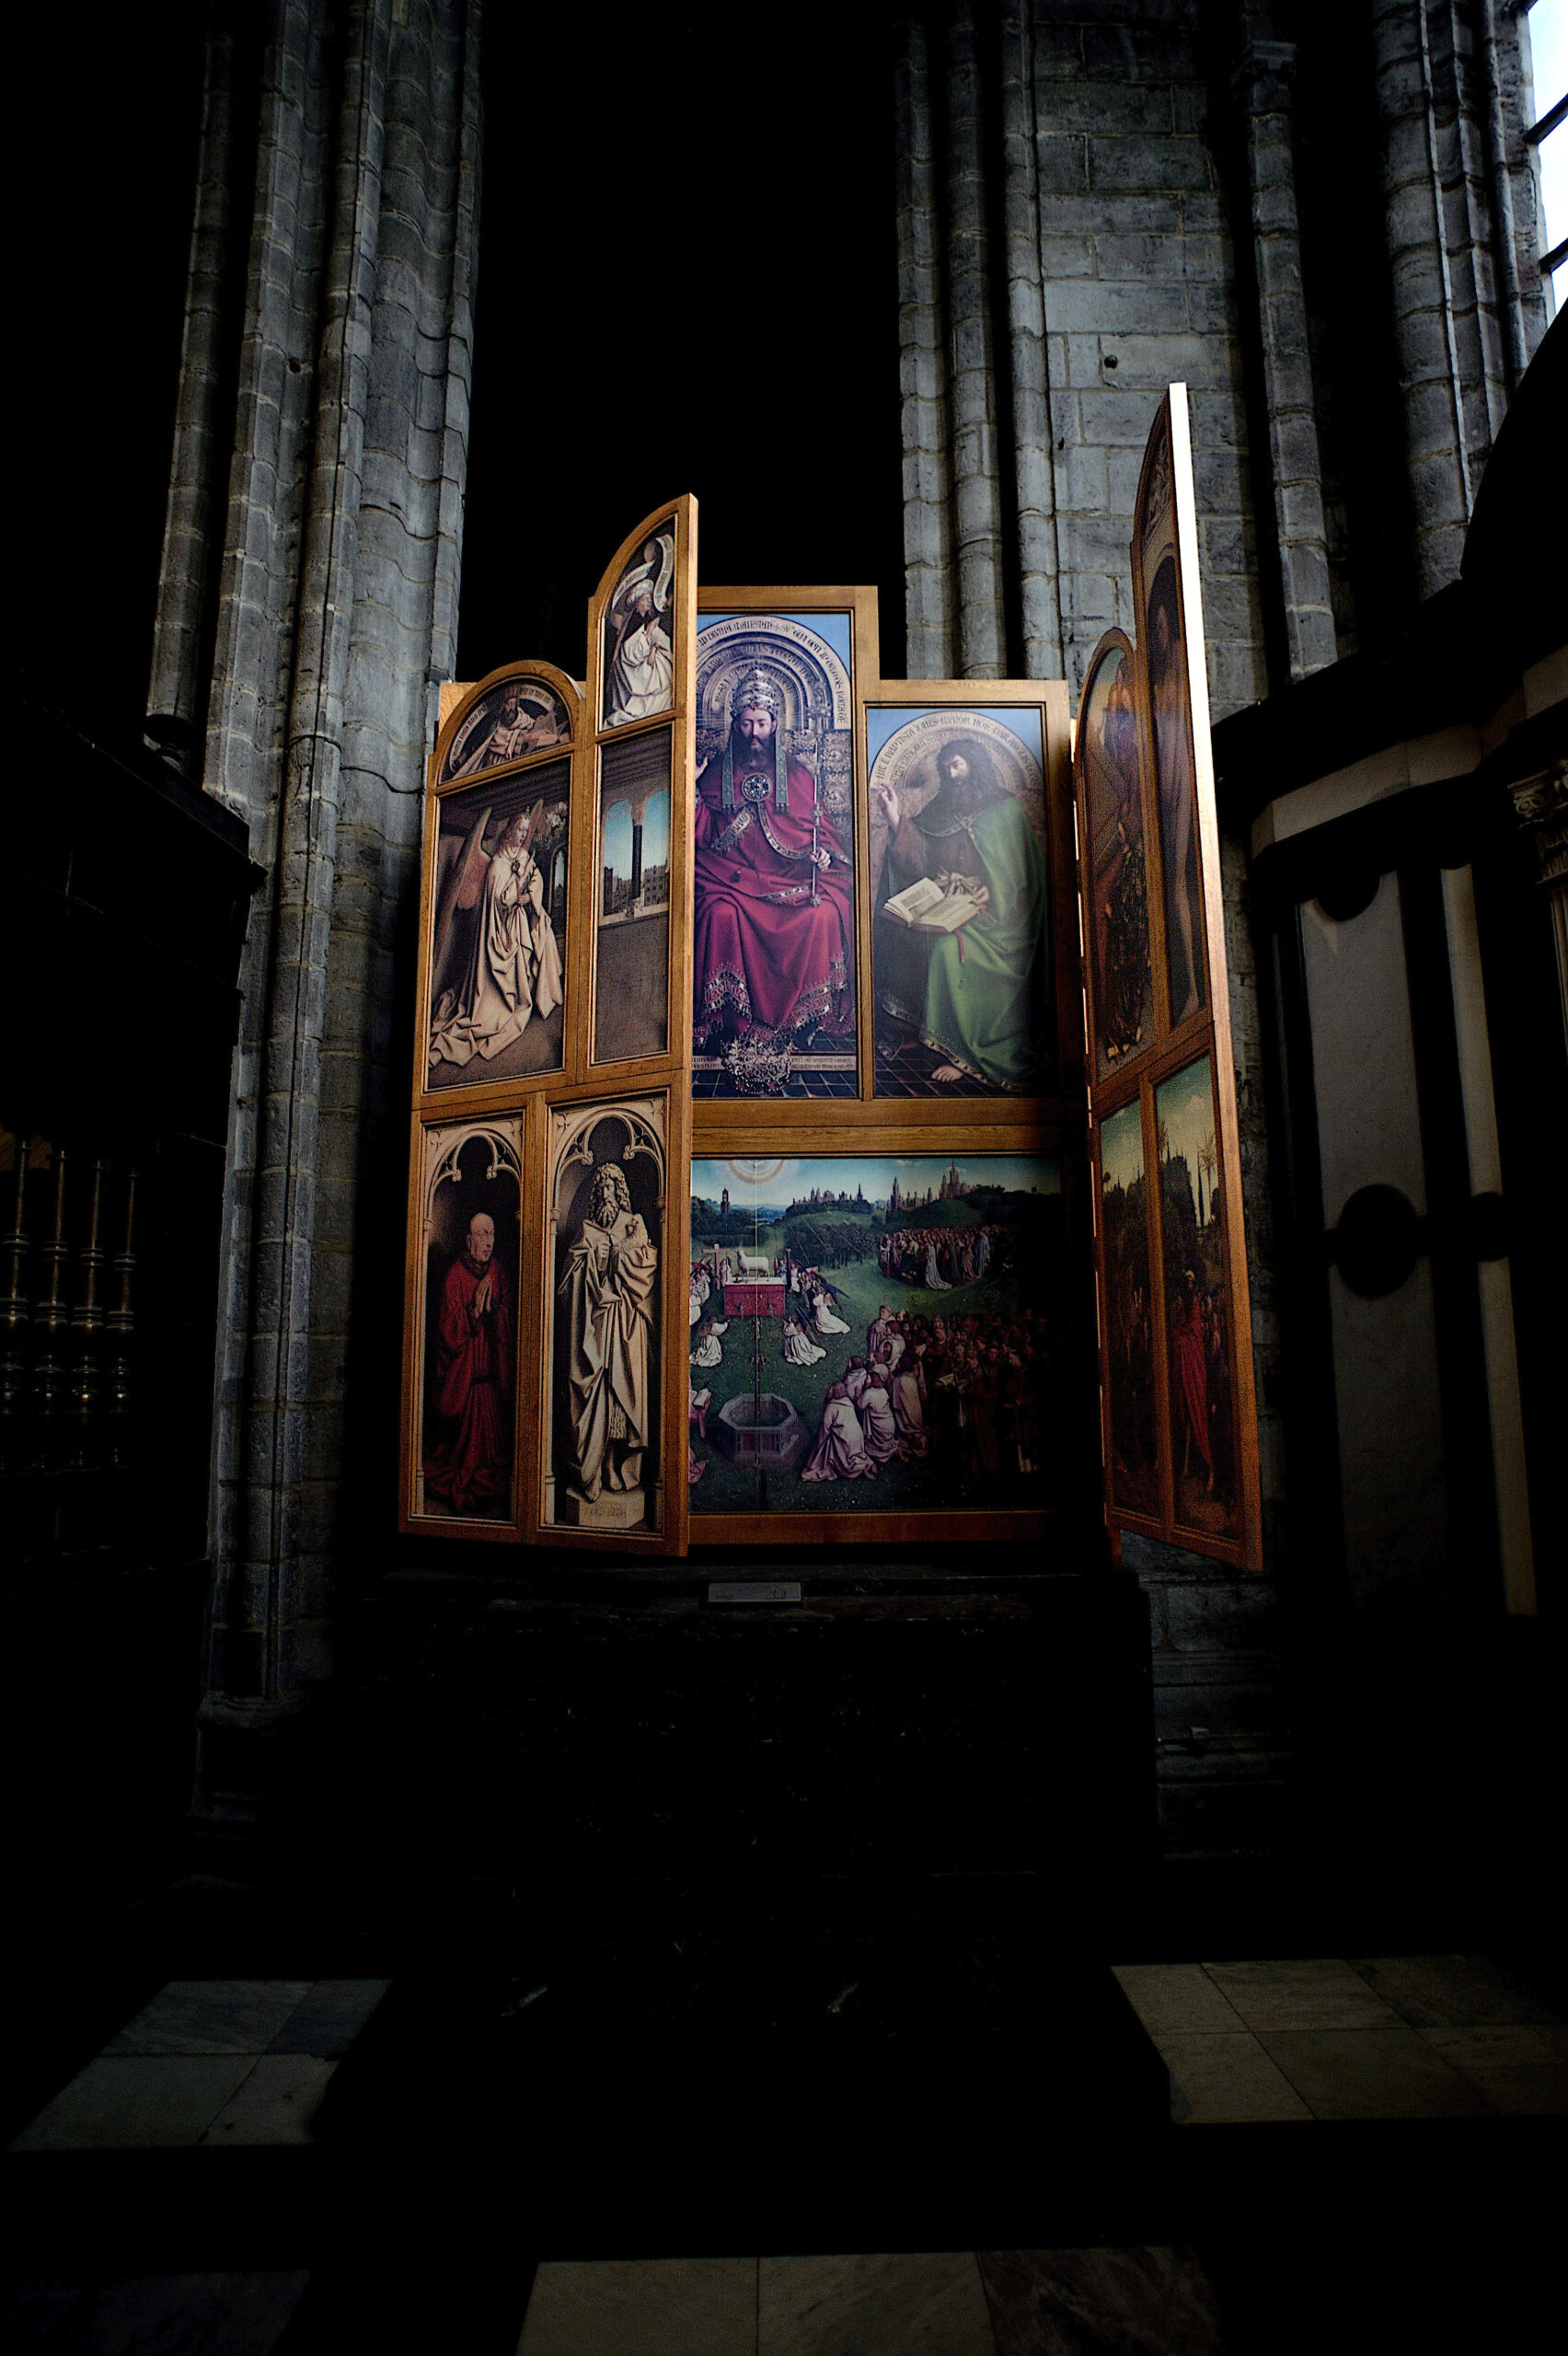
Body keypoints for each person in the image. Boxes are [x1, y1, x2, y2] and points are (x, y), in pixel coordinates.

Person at [693, 671, 854, 1078]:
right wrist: (692, 788)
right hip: (731, 880)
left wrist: (821, 856)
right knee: (718, 915)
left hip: (789, 881)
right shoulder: (714, 773)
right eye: (745, 724)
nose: (753, 734)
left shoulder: (799, 775)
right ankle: (730, 1023)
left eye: (761, 724)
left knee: (824, 914)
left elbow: (822, 833)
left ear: (775, 725)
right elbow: (702, 835)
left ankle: (801, 1023)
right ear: (735, 724)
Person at [875, 733, 1047, 1091]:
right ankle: (911, 1034)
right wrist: (896, 821)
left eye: (958, 764)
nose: (952, 774)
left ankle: (965, 1056)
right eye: (946, 766)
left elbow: (1022, 879)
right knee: (900, 933)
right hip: (950, 909)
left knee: (946, 953)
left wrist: (990, 891)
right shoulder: (944, 808)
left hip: (1002, 923)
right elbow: (919, 855)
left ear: (975, 764)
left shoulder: (1006, 811)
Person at [429, 807, 563, 1071]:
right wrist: (518, 888)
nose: (523, 834)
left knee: (540, 933)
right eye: (519, 830)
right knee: (502, 978)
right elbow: (500, 900)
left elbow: (535, 878)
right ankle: (507, 1003)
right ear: (509, 831)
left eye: (526, 830)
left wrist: (530, 893)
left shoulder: (523, 855)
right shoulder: (496, 865)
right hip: (498, 931)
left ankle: (536, 994)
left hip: (518, 921)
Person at [559, 1162, 657, 1505]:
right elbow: (565, 1287)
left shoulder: (634, 1226)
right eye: (601, 1189)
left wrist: (619, 1257)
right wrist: (592, 1265)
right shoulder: (585, 1233)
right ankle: (593, 1471)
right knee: (594, 1395)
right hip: (593, 1328)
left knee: (622, 1399)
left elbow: (646, 1274)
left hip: (625, 1325)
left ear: (621, 1192)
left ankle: (616, 1469)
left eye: (612, 1188)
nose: (606, 1194)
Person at [424, 1212, 513, 1514]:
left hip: (490, 1381)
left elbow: (509, 1321)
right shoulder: (454, 1276)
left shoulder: (498, 1272)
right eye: (482, 1235)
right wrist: (473, 1313)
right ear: (468, 1240)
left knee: (497, 1464)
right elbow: (446, 1335)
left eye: (491, 1234)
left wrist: (497, 1313)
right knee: (461, 1466)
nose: (488, 1242)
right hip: (464, 1385)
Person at [450, 679, 567, 775]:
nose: (511, 708)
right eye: (508, 704)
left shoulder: (523, 718)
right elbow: (499, 737)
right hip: (493, 769)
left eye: (513, 704)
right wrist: (530, 736)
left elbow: (530, 729)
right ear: (502, 706)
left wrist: (537, 725)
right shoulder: (494, 724)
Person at [1172, 1267, 1214, 1492]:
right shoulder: (1183, 1309)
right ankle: (1185, 1466)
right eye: (1185, 1280)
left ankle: (1208, 1469)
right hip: (1184, 1367)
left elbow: (1192, 1332)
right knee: (1186, 1418)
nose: (1188, 1285)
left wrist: (1180, 1335)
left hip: (1195, 1369)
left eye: (1191, 1280)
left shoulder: (1195, 1307)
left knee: (1198, 1415)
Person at [800, 1381, 877, 1482]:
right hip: (858, 1439)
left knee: (828, 1443)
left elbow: (824, 1429)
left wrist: (819, 1445)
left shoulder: (831, 1407)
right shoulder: (848, 1402)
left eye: (829, 1391)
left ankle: (860, 1468)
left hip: (846, 1441)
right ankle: (867, 1464)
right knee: (854, 1453)